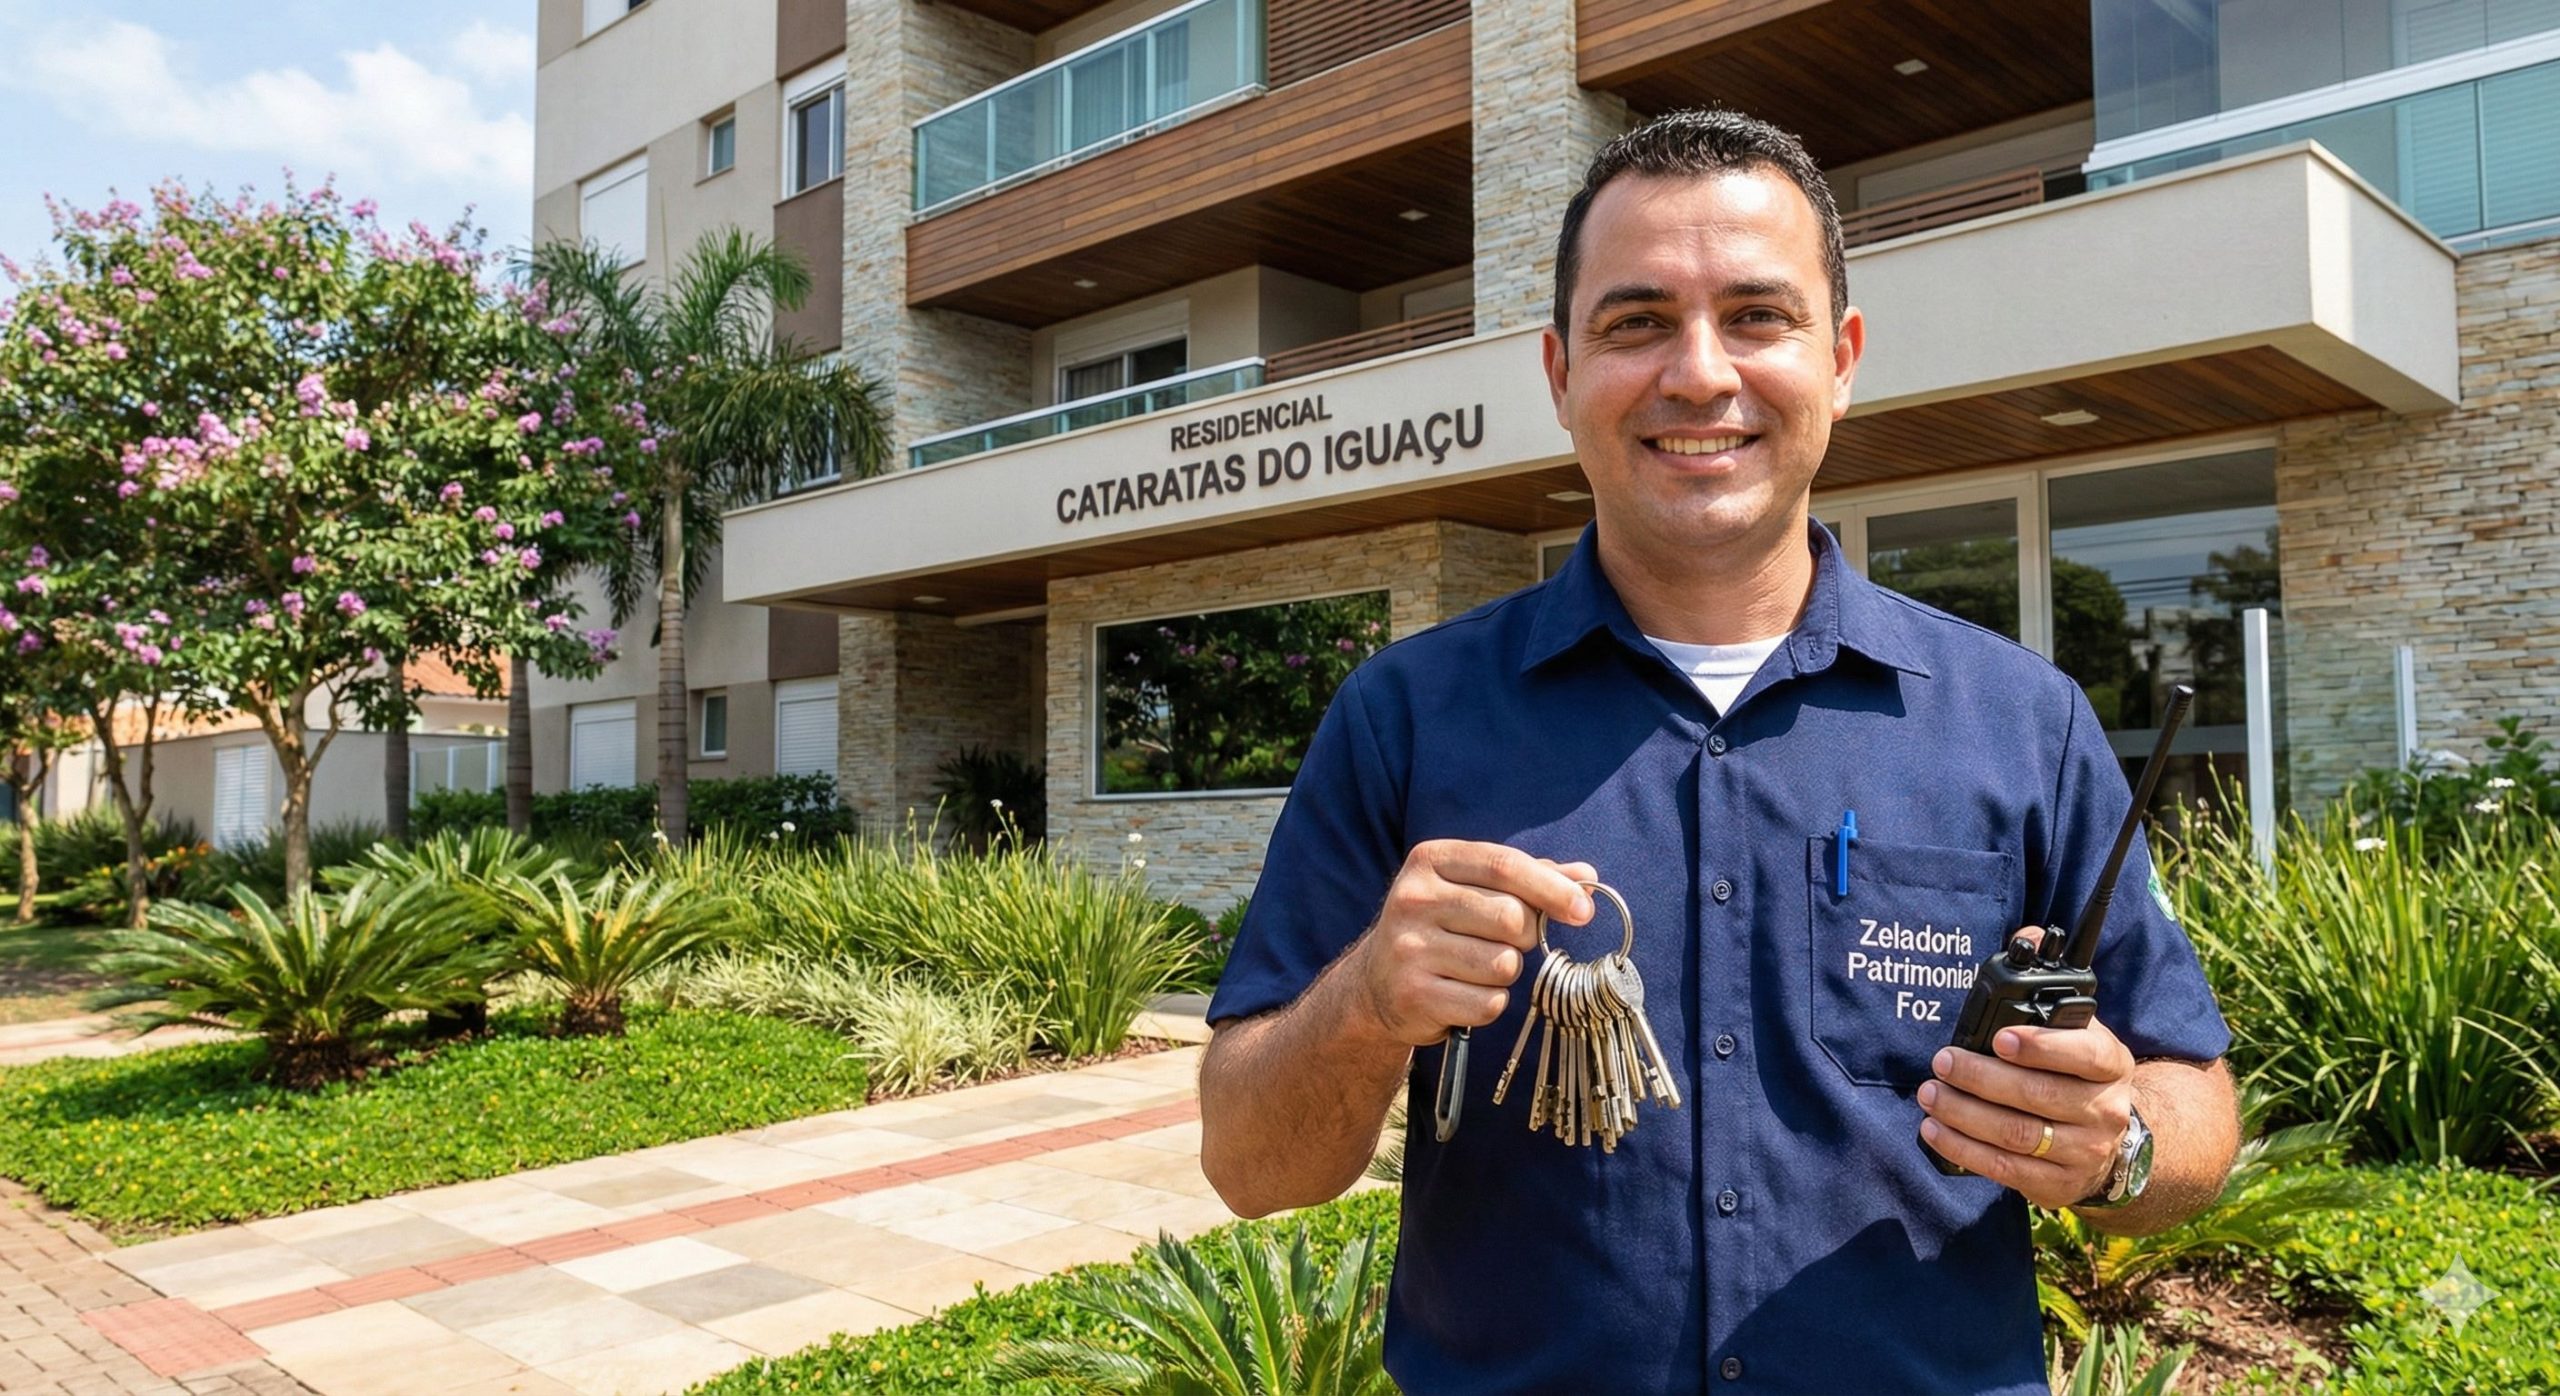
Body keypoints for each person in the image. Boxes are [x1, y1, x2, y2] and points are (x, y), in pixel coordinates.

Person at [1196, 109, 2241, 1394]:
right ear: (1559, 372)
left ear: (1840, 359)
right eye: (1637, 322)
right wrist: (1364, 1003)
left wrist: (2117, 1145)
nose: (1698, 374)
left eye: (1756, 315)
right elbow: (1250, 1165)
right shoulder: (1403, 716)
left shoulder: (2020, 719)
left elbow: (2195, 1096)